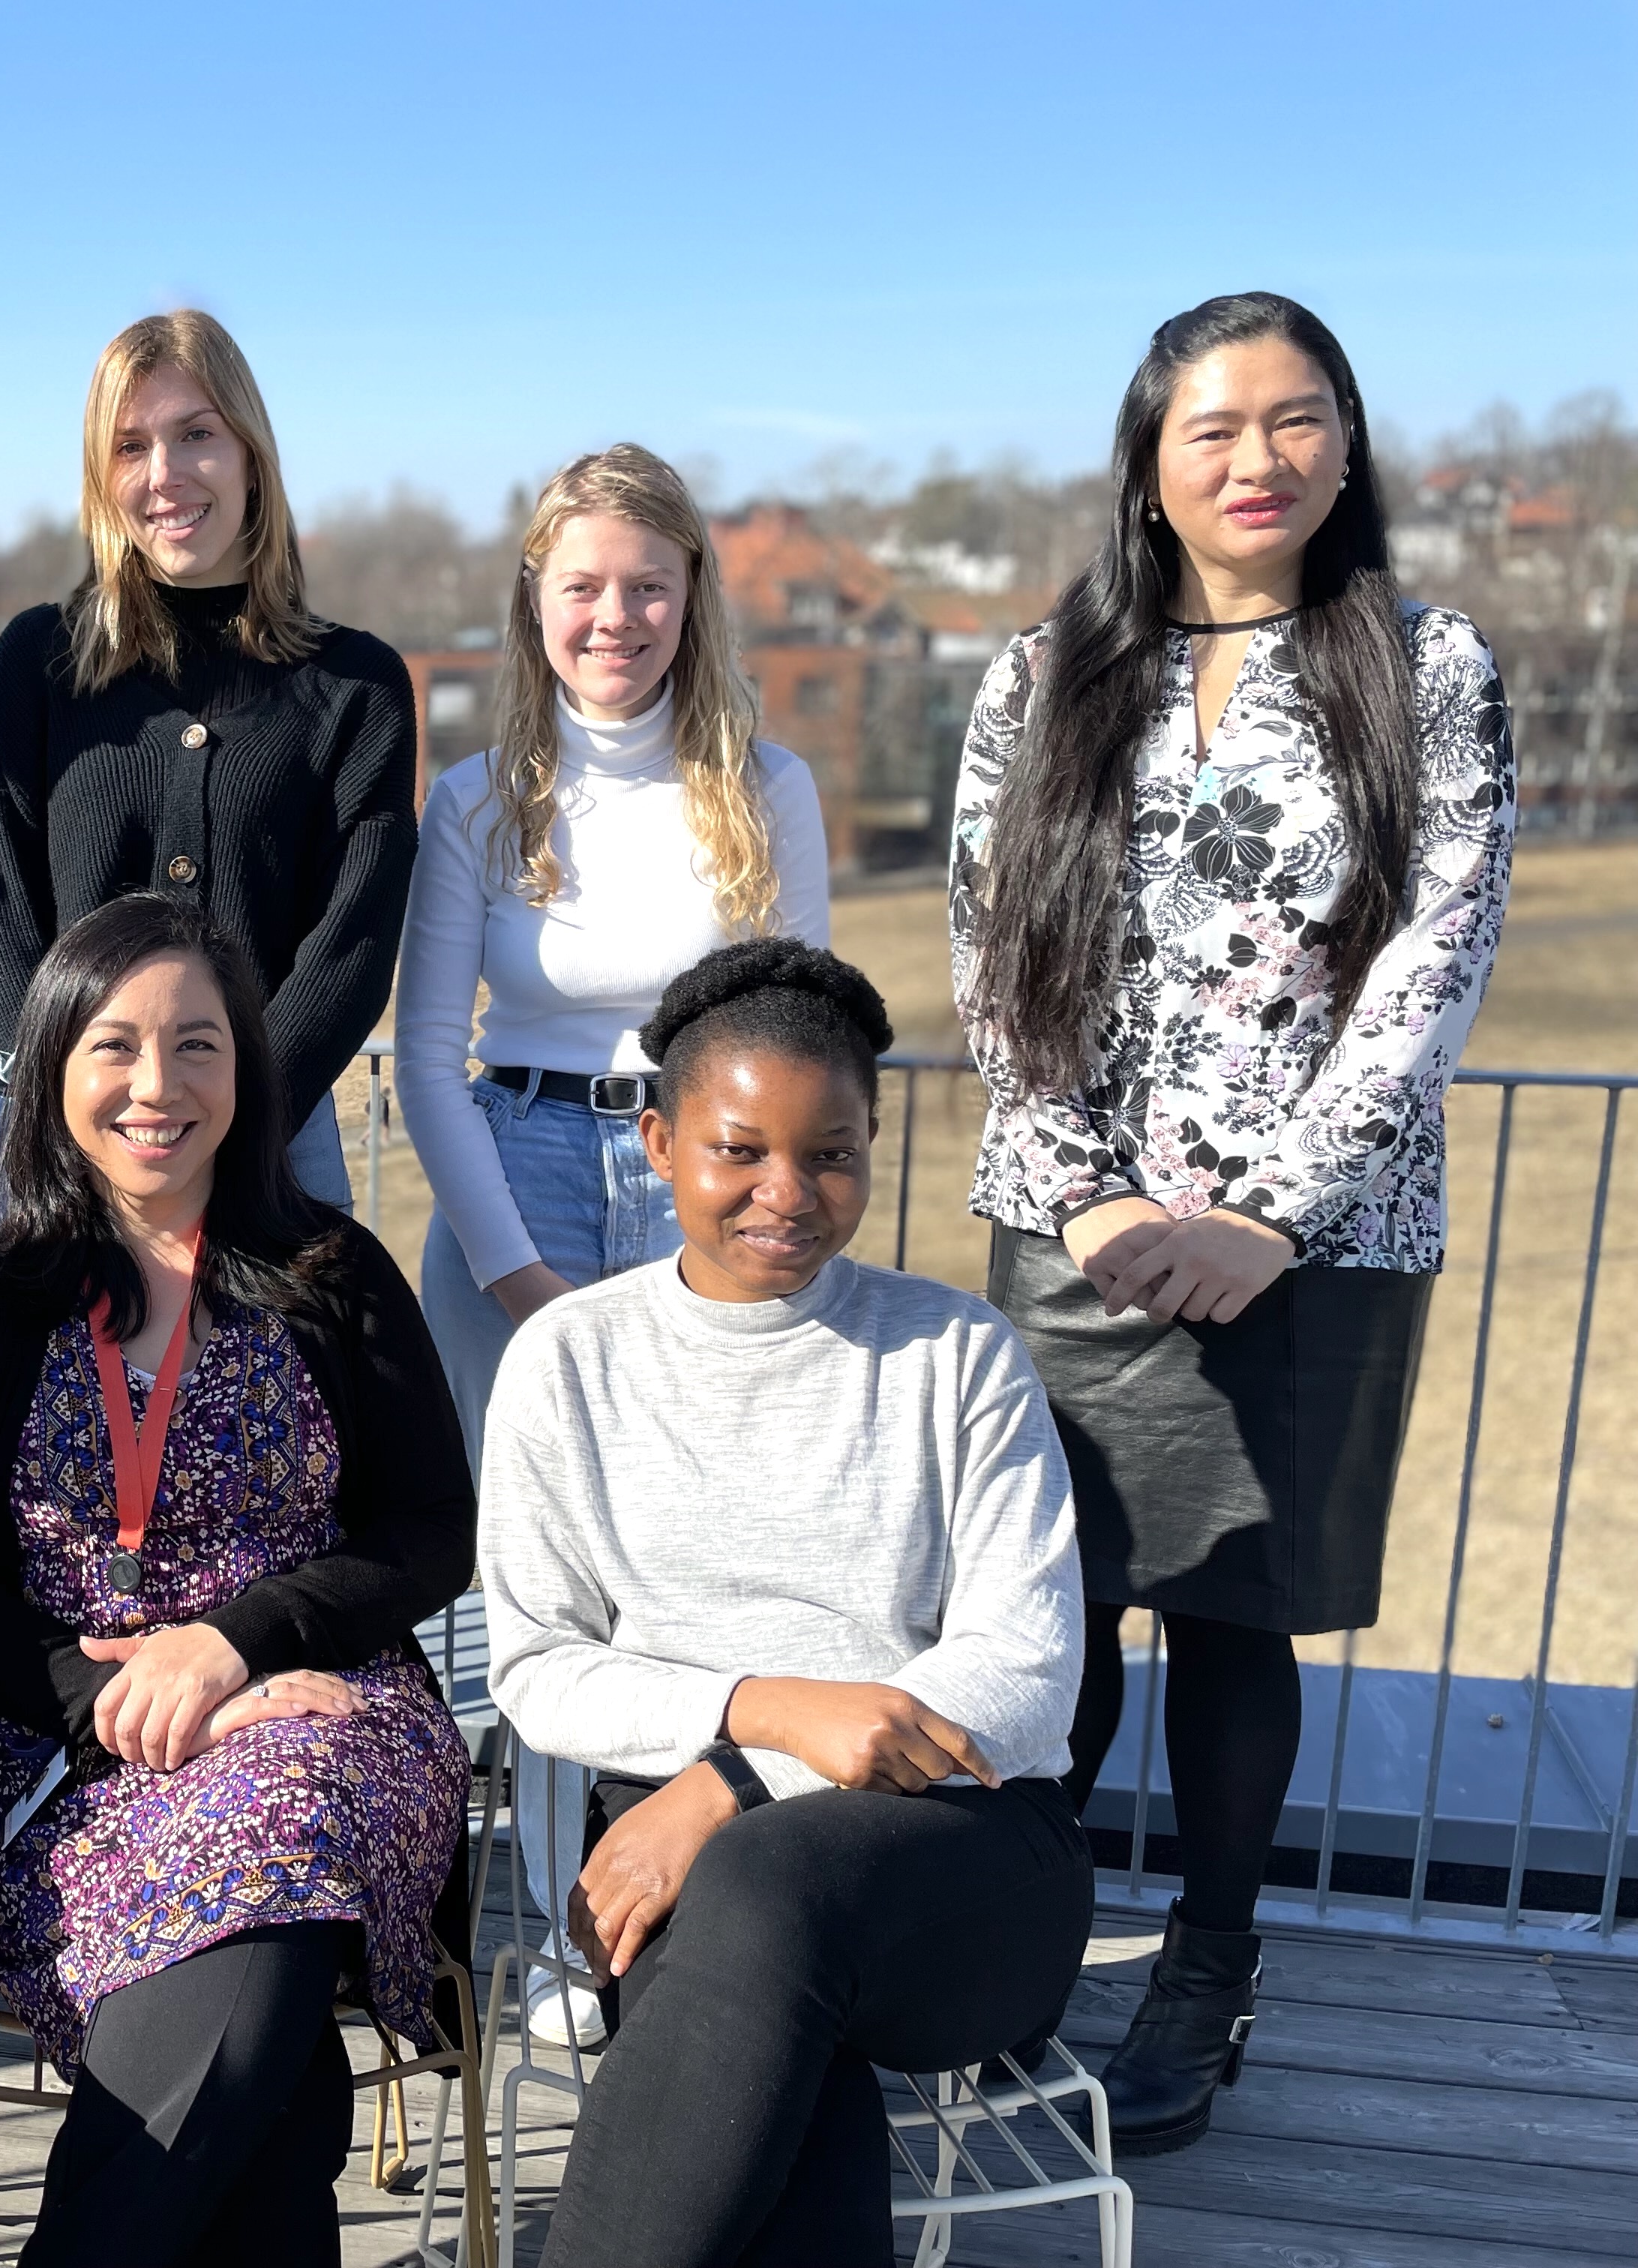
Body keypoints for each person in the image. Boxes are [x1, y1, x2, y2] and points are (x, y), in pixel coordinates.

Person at [951, 291, 1516, 2153]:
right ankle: (1017, 1939)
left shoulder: (1431, 669)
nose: (1254, 459)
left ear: (1348, 446)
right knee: (1061, 1609)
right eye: (1213, 428)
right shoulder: (1044, 675)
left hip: (1318, 1241)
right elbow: (991, 957)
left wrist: (1265, 1215)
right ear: (1149, 460)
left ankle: (1210, 1963)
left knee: (1234, 1619)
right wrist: (1099, 1198)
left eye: (1296, 420)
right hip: (1077, 1227)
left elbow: (1434, 964)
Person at [0, 893, 474, 2266]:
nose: (158, 1086)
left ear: (246, 1068)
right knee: (272, 2104)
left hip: (325, 1713)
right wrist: (106, 1695)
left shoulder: (336, 1273)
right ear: (51, 1070)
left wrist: (233, 1643)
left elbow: (432, 1530)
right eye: (115, 1046)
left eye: (197, 1044)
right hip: (73, 1758)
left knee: (282, 1820)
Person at [480, 938, 1090, 2268]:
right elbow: (534, 1662)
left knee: (754, 1879)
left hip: (965, 1851)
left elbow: (1029, 1670)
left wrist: (726, 1781)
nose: (788, 1193)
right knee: (782, 2070)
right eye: (739, 1148)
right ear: (657, 1141)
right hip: (687, 1868)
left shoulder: (955, 1351)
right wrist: (770, 1717)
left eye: (832, 1152)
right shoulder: (568, 1359)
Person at [396, 441, 830, 2047]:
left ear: (691, 596)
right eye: (583, 583)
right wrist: (518, 1273)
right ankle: (554, 1927)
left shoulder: (764, 786)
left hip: (701, 1179)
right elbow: (429, 1047)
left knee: (694, 1562)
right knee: (535, 1578)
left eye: (649, 583)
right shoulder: (477, 796)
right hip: (515, 1181)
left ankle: (687, 1920)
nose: (615, 615)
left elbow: (801, 1029)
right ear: (536, 595)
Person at [0, 309, 418, 1217]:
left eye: (196, 434)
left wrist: (229, 1131)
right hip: (60, 1153)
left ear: (250, 451)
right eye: (130, 447)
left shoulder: (358, 687)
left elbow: (352, 946)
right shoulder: (40, 663)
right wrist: (61, 1109)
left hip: (273, 1154)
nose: (165, 474)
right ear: (101, 477)